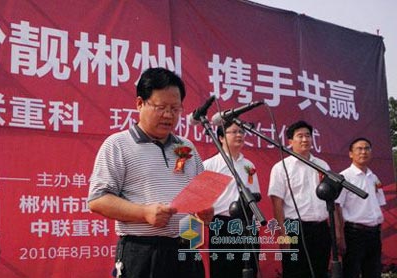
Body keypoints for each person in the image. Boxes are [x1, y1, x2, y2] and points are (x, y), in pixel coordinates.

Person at [88, 67, 213, 278]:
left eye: (175, 108)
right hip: (143, 253)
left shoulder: (187, 147)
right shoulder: (118, 144)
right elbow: (98, 200)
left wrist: (204, 215)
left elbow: (199, 200)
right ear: (139, 103)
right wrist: (144, 213)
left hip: (186, 250)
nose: (168, 115)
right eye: (161, 107)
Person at [267, 120, 331, 278]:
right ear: (290, 142)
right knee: (295, 272)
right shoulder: (281, 167)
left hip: (321, 229)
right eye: (300, 136)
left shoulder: (322, 165)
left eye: (308, 136)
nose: (305, 139)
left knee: (320, 271)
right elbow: (277, 204)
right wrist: (282, 234)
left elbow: (332, 200)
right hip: (294, 229)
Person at [203, 121, 261, 278]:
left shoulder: (249, 165)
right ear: (221, 137)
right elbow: (202, 201)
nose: (239, 135)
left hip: (248, 226)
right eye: (234, 132)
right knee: (224, 271)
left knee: (250, 271)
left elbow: (255, 196)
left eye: (242, 132)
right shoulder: (210, 165)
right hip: (222, 225)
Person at [335, 137, 386, 278]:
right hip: (354, 234)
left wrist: (379, 230)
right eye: (359, 149)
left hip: (374, 234)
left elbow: (379, 204)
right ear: (351, 153)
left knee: (373, 273)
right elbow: (337, 206)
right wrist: (340, 235)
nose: (363, 152)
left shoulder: (373, 177)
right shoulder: (344, 177)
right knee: (351, 273)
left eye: (367, 148)